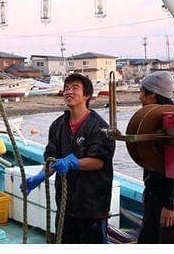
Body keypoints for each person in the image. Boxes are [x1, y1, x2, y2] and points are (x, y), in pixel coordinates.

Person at [21, 73, 115, 244]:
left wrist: (74, 163)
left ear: (87, 95)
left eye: (74, 88)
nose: (68, 92)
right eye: (66, 88)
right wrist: (40, 177)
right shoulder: (58, 126)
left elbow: (99, 161)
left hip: (92, 206)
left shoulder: (99, 127)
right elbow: (51, 159)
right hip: (65, 206)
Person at [136, 71, 174, 244]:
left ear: (153, 94)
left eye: (141, 91)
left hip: (172, 199)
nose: (139, 96)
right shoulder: (154, 119)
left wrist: (171, 204)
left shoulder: (171, 122)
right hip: (154, 195)